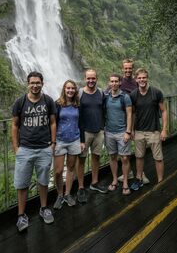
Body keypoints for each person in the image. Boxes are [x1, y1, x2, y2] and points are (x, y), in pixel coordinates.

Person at [11, 71, 56, 232]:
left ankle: (44, 208)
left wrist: (53, 143)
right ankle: (21, 215)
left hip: (44, 148)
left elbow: (52, 123)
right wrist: (16, 148)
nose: (35, 85)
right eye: (32, 83)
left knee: (43, 181)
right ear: (28, 84)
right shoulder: (20, 102)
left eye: (38, 82)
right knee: (22, 184)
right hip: (25, 150)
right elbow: (15, 125)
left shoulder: (48, 101)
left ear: (42, 83)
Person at [130, 68, 168, 191]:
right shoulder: (133, 95)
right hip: (139, 131)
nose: (142, 80)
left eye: (144, 77)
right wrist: (131, 130)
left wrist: (164, 130)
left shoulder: (156, 93)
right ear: (136, 79)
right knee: (139, 156)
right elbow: (133, 114)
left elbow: (164, 111)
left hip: (154, 130)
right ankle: (139, 179)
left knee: (158, 157)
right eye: (139, 78)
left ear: (147, 78)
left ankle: (160, 181)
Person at [77, 69, 107, 203]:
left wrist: (104, 127)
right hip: (84, 132)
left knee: (96, 157)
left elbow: (105, 109)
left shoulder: (101, 93)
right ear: (85, 78)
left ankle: (94, 183)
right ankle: (81, 187)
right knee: (81, 160)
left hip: (98, 131)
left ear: (96, 79)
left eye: (93, 78)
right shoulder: (79, 93)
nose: (91, 81)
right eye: (88, 78)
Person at [53, 80, 85, 209]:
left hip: (74, 140)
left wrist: (82, 141)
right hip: (60, 141)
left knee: (71, 169)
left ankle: (67, 194)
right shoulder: (58, 104)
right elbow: (53, 123)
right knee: (58, 171)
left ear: (75, 90)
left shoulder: (78, 105)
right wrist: (53, 141)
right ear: (64, 89)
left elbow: (81, 123)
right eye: (68, 88)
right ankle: (59, 195)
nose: (70, 90)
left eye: (72, 88)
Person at [118, 58, 150, 184]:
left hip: (137, 119)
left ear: (132, 69)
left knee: (139, 149)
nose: (128, 70)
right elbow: (108, 94)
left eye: (130, 68)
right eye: (125, 68)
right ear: (122, 69)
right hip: (123, 120)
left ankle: (141, 173)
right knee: (125, 149)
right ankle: (129, 172)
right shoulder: (119, 82)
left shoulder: (137, 82)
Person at [104, 74, 132, 195]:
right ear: (109, 83)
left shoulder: (125, 97)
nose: (114, 83)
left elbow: (130, 115)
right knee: (112, 157)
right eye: (112, 81)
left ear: (120, 82)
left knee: (124, 158)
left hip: (122, 132)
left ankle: (125, 182)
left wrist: (128, 131)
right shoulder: (106, 96)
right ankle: (115, 180)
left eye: (116, 81)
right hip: (109, 132)